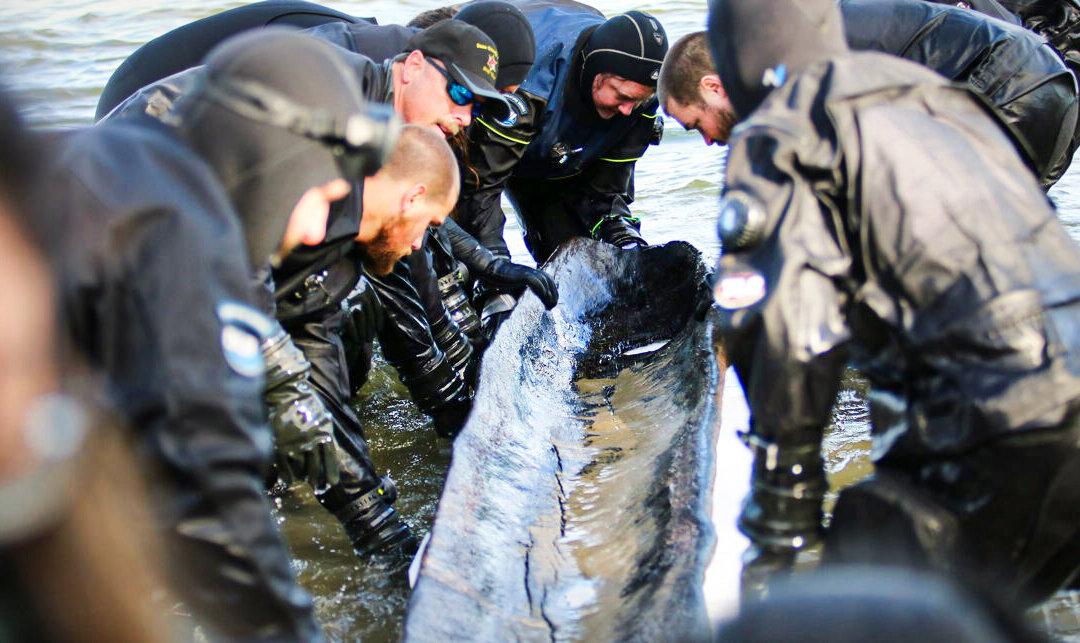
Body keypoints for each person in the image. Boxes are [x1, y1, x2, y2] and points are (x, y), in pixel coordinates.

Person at [706, 0, 1080, 606]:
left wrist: (781, 522)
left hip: (994, 431)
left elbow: (792, 329)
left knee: (858, 599)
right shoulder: (942, 98)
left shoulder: (783, 126)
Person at [42, 30, 409, 640]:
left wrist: (283, 379)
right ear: (272, 165)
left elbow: (243, 293)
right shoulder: (175, 240)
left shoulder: (140, 160)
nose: (320, 231)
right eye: (320, 195)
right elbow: (216, 510)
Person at [660, 0, 1078, 187]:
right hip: (1054, 88)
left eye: (696, 124)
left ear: (713, 86)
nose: (709, 140)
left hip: (1004, 87)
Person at [455, 1, 668, 342]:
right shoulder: (530, 87)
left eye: (638, 101)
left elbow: (605, 190)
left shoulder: (638, 101)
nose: (628, 108)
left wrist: (622, 240)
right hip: (494, 140)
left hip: (563, 156)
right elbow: (480, 189)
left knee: (582, 272)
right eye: (621, 95)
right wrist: (494, 267)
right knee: (485, 282)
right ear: (597, 70)